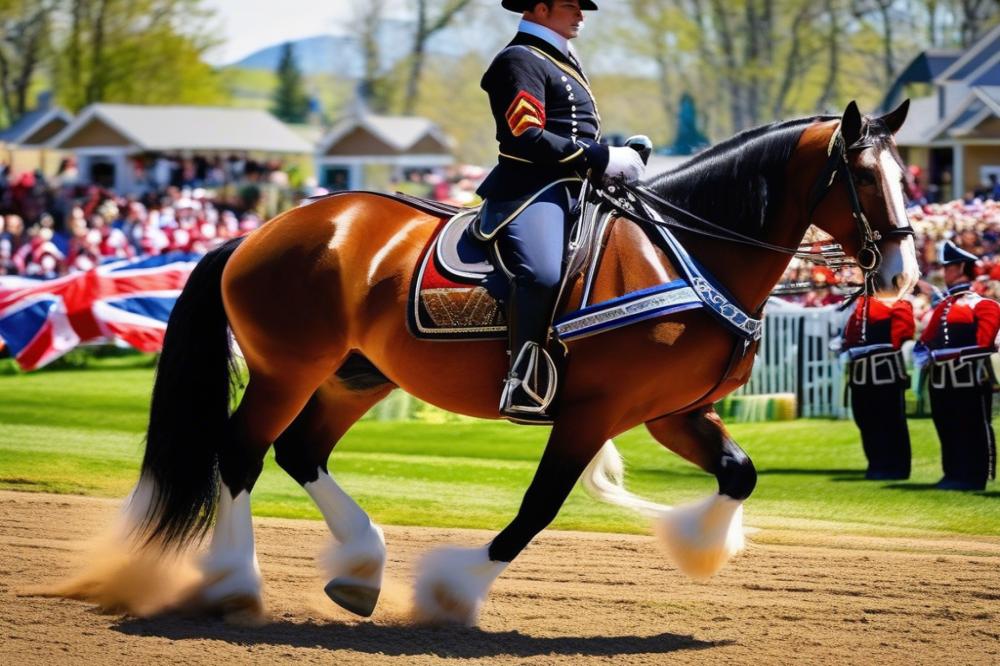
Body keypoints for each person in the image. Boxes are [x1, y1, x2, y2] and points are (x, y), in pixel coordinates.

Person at [477, 0, 645, 421]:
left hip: (577, 187)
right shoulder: (519, 59)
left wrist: (614, 161)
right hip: (533, 190)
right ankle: (523, 379)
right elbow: (526, 136)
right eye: (572, 5)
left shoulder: (558, 58)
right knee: (542, 273)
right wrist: (599, 156)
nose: (582, 15)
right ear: (539, 7)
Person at [914, 240, 999, 490]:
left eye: (948, 267)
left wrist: (945, 355)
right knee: (946, 426)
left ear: (961, 267)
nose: (944, 272)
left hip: (969, 378)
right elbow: (926, 340)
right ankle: (952, 473)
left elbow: (985, 345)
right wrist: (927, 354)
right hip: (941, 379)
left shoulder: (983, 305)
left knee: (970, 427)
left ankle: (973, 476)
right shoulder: (943, 306)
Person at [841, 295, 915, 479]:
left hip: (885, 370)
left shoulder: (896, 303)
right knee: (865, 419)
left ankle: (897, 467)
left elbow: (903, 333)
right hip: (861, 371)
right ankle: (876, 464)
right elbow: (852, 334)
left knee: (890, 420)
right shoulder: (860, 304)